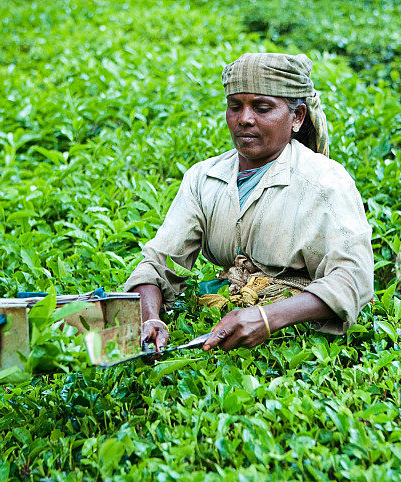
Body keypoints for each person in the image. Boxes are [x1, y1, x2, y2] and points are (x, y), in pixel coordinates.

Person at [124, 52, 374, 353]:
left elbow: (353, 280)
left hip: (301, 340)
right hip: (226, 320)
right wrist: (150, 319)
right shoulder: (205, 177)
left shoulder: (326, 183)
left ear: (297, 117)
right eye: (235, 107)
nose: (244, 119)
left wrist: (268, 319)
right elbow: (157, 263)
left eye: (262, 107)